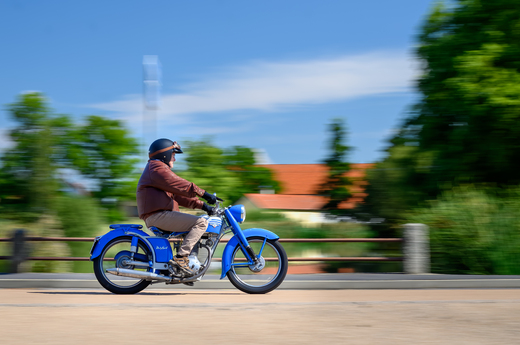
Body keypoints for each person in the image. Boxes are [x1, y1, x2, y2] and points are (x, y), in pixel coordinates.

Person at [136, 138, 220, 276]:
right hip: (158, 215)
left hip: (160, 215)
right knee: (200, 223)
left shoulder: (157, 171)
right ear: (165, 154)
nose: (174, 159)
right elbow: (180, 184)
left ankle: (187, 267)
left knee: (195, 226)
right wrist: (203, 193)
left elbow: (178, 196)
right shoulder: (156, 168)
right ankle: (181, 259)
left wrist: (204, 206)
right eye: (173, 155)